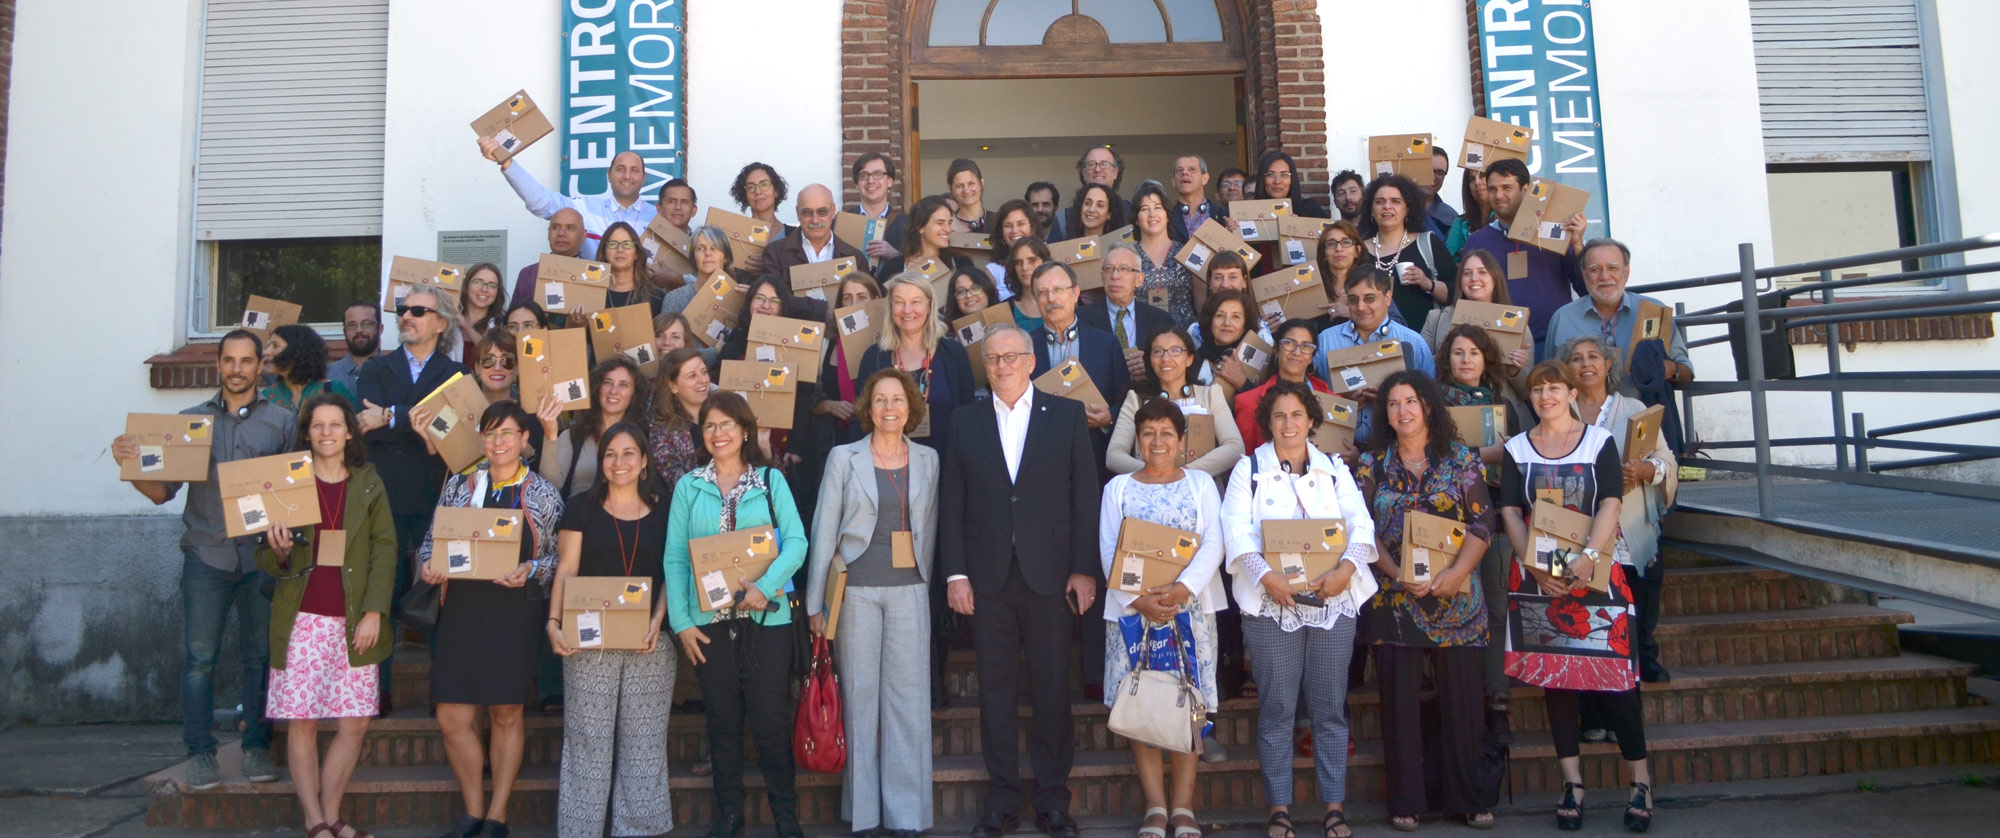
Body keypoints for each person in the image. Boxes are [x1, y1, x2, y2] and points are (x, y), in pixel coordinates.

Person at [109, 329, 293, 790]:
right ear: (218, 364)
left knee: (261, 657)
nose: (237, 369)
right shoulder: (189, 423)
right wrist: (129, 467)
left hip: (261, 560)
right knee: (198, 660)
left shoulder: (283, 422)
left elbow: (293, 498)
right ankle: (199, 754)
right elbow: (160, 493)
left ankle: (255, 748)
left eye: (246, 361)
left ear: (259, 366)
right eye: (228, 360)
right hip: (206, 556)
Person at [939, 324, 1099, 838]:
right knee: (996, 690)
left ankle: (1054, 801)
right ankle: (1002, 800)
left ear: (1032, 361)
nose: (1002, 365)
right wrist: (957, 573)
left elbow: (1084, 497)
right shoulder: (963, 421)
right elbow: (952, 505)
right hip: (986, 578)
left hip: (1050, 575)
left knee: (1053, 687)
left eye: (1011, 356)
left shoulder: (1067, 414)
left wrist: (1082, 568)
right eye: (992, 359)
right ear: (984, 367)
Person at [1499, 361, 1656, 833]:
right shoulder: (1516, 448)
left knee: (1618, 681)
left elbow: (1610, 499)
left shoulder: (1598, 442)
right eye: (1538, 389)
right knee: (1557, 681)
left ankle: (1641, 782)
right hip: (1538, 576)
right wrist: (1532, 564)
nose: (1546, 396)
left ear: (1570, 393)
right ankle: (1572, 783)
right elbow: (1509, 507)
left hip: (1597, 572)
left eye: (1554, 388)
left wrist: (1589, 555)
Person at [1219, 378, 1375, 838]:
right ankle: (1280, 810)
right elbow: (1236, 529)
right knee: (1278, 709)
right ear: (1268, 423)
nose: (1289, 424)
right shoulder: (1249, 470)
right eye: (1279, 416)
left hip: (1334, 601)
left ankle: (1334, 808)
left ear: (1311, 420)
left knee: (1329, 709)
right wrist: (1266, 577)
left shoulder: (1334, 469)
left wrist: (1346, 569)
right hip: (1271, 606)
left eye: (1297, 415)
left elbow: (1360, 524)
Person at [1352, 371, 1497, 830]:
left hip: (1458, 599)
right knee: (1400, 707)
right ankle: (1406, 802)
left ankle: (1468, 799)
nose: (1402, 411)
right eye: (1393, 404)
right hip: (1396, 600)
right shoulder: (1371, 464)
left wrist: (1456, 574)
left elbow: (1483, 523)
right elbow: (1362, 531)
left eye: (1410, 401)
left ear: (1427, 405)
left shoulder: (1460, 459)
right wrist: (1394, 574)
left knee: (1464, 704)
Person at [663, 392, 810, 838]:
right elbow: (674, 558)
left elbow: (798, 543)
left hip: (767, 621)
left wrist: (765, 588)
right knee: (722, 719)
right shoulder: (690, 485)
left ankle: (786, 813)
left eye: (727, 424)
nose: (718, 433)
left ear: (745, 430)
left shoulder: (769, 480)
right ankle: (729, 813)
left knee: (768, 718)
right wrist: (682, 621)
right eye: (709, 425)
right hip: (708, 625)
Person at [416, 401, 563, 838]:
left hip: (513, 610)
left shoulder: (542, 494)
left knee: (505, 713)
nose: (498, 442)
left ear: (524, 441)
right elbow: (430, 541)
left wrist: (533, 570)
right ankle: (472, 812)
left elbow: (560, 558)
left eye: (507, 433)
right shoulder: (459, 486)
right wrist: (427, 565)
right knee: (452, 717)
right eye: (490, 433)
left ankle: (497, 815)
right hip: (461, 607)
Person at [805, 368, 939, 838]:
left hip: (910, 591)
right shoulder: (844, 458)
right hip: (855, 591)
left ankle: (905, 816)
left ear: (910, 408)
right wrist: (815, 604)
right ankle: (863, 814)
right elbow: (823, 530)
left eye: (897, 400)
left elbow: (932, 529)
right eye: (880, 400)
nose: (888, 408)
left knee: (908, 702)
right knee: (860, 700)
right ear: (868, 407)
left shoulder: (929, 460)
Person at [255, 394, 395, 838]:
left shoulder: (368, 481)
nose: (327, 433)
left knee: (354, 721)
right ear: (307, 433)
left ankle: (332, 814)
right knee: (304, 720)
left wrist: (375, 611)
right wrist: (277, 552)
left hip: (354, 618)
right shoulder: (288, 482)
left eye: (336, 424)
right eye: (318, 425)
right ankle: (313, 821)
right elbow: (266, 556)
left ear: (350, 431)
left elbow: (385, 549)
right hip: (303, 619)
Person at [1099, 397, 1227, 838]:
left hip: (1187, 613)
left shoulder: (1200, 485)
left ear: (1182, 441)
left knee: (1186, 705)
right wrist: (1140, 602)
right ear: (1137, 439)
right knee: (1142, 705)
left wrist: (1179, 591)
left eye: (1166, 433)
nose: (1157, 441)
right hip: (1133, 617)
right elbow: (1108, 552)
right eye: (1149, 433)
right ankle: (1155, 806)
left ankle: (1183, 807)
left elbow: (1214, 542)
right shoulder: (1118, 488)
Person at [545, 420, 676, 838]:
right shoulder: (582, 507)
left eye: (628, 454)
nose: (619, 462)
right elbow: (565, 569)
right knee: (587, 741)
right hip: (589, 643)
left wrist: (658, 619)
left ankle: (639, 830)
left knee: (645, 744)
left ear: (644, 462)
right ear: (602, 463)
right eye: (610, 454)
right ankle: (580, 831)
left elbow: (675, 570)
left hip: (649, 642)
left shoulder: (667, 509)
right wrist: (553, 622)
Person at [1561, 336, 1678, 684]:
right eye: (1576, 358)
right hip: (1580, 528)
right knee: (1591, 607)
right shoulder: (1559, 410)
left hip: (1629, 523)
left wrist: (1645, 471)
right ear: (1567, 369)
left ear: (1608, 365)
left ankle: (1644, 656)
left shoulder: (1632, 408)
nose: (1586, 364)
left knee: (1639, 595)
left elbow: (1665, 457)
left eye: (1593, 357)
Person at [355, 287, 469, 637]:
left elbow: (454, 433)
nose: (406, 315)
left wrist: (390, 415)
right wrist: (420, 423)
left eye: (418, 311)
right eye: (403, 309)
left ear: (441, 324)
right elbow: (365, 425)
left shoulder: (457, 374)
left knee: (434, 601)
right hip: (383, 497)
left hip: (432, 499)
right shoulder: (376, 368)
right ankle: (380, 692)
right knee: (380, 599)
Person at [1543, 238, 1695, 398]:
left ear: (1626, 271)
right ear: (1584, 274)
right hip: (1582, 419)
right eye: (1595, 269)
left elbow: (1687, 372)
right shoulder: (1563, 318)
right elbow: (1548, 379)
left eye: (1613, 268)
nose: (1605, 276)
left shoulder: (1655, 312)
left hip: (1644, 416)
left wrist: (1668, 369)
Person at [1464, 158, 1586, 348]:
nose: (1498, 195)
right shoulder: (1477, 242)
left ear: (1525, 190)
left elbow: (1585, 289)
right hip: (1500, 345)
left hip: (1554, 341)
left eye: (1506, 188)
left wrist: (1578, 245)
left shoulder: (1556, 234)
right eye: (1492, 189)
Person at [858, 273, 979, 456]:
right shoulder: (873, 357)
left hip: (944, 464)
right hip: (886, 466)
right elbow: (861, 420)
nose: (907, 310)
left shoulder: (954, 354)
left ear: (929, 306)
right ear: (890, 307)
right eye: (899, 302)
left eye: (915, 302)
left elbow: (967, 417)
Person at [1030, 261, 1130, 475]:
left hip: (1093, 454)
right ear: (1036, 300)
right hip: (1040, 458)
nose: (1051, 299)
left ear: (1075, 293)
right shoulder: (1025, 348)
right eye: (1043, 292)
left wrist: (1109, 416)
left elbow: (1126, 400)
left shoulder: (1106, 344)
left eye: (1058, 290)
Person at [478, 140, 654, 261]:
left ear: (644, 177)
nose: (627, 176)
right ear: (609, 175)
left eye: (635, 170)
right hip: (593, 301)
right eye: (620, 169)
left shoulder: (657, 219)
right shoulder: (585, 208)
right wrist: (507, 162)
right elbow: (543, 203)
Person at [1313, 269, 1435, 442]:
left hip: (1395, 448)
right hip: (1338, 447)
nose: (1361, 307)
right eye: (1353, 300)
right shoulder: (1326, 340)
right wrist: (1338, 399)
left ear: (1388, 298)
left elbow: (1432, 401)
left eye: (1369, 298)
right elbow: (1311, 396)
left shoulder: (1413, 343)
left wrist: (1391, 400)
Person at [1108, 328, 1244, 480]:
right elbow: (1114, 455)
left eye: (1175, 350)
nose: (1166, 358)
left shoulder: (1210, 395)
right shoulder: (1135, 400)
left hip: (1201, 490)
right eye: (1158, 352)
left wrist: (1184, 473)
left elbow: (1235, 447)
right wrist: (1155, 473)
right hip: (1149, 489)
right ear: (1150, 360)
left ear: (1189, 359)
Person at [539, 356, 650, 499]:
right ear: (597, 389)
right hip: (578, 517)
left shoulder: (644, 437)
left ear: (634, 394)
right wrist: (550, 435)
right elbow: (550, 487)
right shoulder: (572, 436)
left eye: (623, 385)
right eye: (607, 383)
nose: (614, 390)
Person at [1358, 174, 1453, 327]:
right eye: (1379, 201)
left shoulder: (1428, 243)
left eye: (1395, 201)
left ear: (1407, 209)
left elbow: (1456, 293)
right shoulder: (1359, 251)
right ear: (1371, 209)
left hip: (1425, 342)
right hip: (1374, 344)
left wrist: (1428, 284)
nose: (1387, 206)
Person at [1081, 241, 1174, 380]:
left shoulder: (1160, 320)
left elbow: (1173, 365)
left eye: (1124, 269)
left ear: (1139, 279)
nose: (1114, 276)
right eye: (1108, 269)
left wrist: (1150, 365)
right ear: (1102, 276)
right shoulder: (1082, 318)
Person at [1234, 319, 1332, 450]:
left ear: (1312, 356)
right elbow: (1245, 459)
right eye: (1289, 343)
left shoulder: (1333, 400)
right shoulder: (1248, 403)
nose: (1297, 352)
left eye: (1306, 346)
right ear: (1276, 349)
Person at [760, 183, 871, 284]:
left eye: (822, 212)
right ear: (798, 213)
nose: (815, 220)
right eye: (807, 213)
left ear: (833, 211)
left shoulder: (855, 258)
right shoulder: (775, 254)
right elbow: (773, 300)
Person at [1130, 182, 1200, 328]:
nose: (1152, 214)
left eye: (1158, 208)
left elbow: (1201, 303)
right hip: (1142, 334)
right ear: (1136, 219)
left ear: (1167, 215)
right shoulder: (1127, 257)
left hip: (1184, 335)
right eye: (1144, 209)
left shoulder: (1186, 253)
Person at [648, 347, 712, 493]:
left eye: (704, 372)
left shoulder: (727, 416)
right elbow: (677, 482)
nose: (702, 380)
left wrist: (763, 444)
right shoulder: (662, 430)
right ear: (673, 386)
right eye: (692, 376)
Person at [875, 195, 974, 282]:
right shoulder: (893, 268)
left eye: (949, 223)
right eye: (940, 223)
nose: (948, 229)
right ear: (920, 227)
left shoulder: (961, 263)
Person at [262, 324, 357, 412]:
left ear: (298, 351)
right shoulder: (266, 397)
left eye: (275, 346)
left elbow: (354, 427)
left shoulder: (334, 390)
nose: (267, 352)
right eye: (268, 345)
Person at [508, 207, 588, 308]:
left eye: (570, 228)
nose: (561, 233)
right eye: (555, 227)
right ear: (548, 233)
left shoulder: (596, 277)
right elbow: (514, 318)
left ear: (583, 235)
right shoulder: (527, 274)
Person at [1191, 289, 1266, 391]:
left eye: (1235, 317)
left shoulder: (1261, 363)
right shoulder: (1190, 361)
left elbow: (1267, 405)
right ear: (1210, 321)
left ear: (1245, 324)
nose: (1227, 323)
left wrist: (1242, 382)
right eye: (1220, 315)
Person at [660, 226, 744, 315]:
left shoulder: (739, 299)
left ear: (726, 257)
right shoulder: (675, 299)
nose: (708, 253)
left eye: (714, 248)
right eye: (701, 248)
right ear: (694, 256)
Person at [730, 162, 795, 273]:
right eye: (751, 187)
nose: (758, 191)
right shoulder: (734, 235)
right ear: (745, 195)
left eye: (764, 184)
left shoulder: (793, 235)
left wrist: (768, 265)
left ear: (776, 191)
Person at [595, 221, 665, 317]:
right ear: (604, 252)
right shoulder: (591, 294)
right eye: (613, 244)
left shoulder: (656, 296)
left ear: (636, 253)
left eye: (627, 244)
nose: (620, 250)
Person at [851, 153, 910, 264]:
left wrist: (894, 255)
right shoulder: (843, 222)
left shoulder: (908, 224)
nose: (870, 181)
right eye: (864, 175)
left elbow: (917, 268)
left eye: (878, 174)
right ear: (856, 183)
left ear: (889, 181)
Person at [1314, 219, 1369, 328]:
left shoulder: (1372, 282)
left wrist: (1353, 313)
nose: (1339, 249)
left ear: (1357, 251)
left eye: (1346, 242)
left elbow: (1396, 322)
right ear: (1324, 254)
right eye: (1331, 244)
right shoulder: (1313, 287)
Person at [984, 199, 1039, 296]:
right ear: (1001, 232)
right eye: (1008, 225)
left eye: (1021, 224)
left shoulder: (1047, 260)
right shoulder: (994, 270)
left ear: (1032, 227)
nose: (1014, 230)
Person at [328, 301, 382, 395]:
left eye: (366, 323)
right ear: (344, 331)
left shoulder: (395, 373)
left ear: (379, 329)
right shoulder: (327, 375)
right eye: (352, 325)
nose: (359, 330)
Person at [1255, 150, 1329, 218]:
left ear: (1292, 179)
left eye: (1284, 175)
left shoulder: (1310, 210)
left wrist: (1298, 226)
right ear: (1262, 179)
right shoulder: (1252, 211)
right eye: (1270, 174)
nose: (1277, 181)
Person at [1002, 236, 1052, 332]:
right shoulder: (1006, 308)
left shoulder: (1063, 298)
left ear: (1045, 262)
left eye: (1032, 261)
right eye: (1018, 262)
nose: (1024, 268)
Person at [459, 262, 507, 353]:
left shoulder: (503, 325)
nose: (484, 289)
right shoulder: (448, 321)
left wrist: (466, 327)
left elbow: (494, 355)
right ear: (465, 286)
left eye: (492, 285)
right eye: (478, 282)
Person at [1168, 154, 1217, 241]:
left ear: (1204, 178)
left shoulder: (1224, 215)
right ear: (1173, 181)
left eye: (1192, 169)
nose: (1184, 173)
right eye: (1179, 170)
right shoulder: (1166, 218)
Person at [1061, 182, 1126, 243]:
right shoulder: (1067, 246)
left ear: (1109, 214)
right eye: (1087, 203)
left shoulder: (1117, 248)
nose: (1091, 209)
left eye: (1100, 205)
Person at [1446, 169, 1491, 256]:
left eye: (1482, 176)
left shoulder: (1505, 218)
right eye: (1471, 179)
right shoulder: (1460, 222)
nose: (1477, 182)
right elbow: (1449, 259)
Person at [946, 158, 995, 233]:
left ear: (981, 183)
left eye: (971, 184)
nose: (966, 190)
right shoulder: (946, 228)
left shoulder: (999, 221)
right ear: (950, 188)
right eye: (959, 186)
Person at [1426, 146, 1461, 240]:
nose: (1433, 177)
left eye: (1440, 173)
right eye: (1428, 170)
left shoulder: (1452, 217)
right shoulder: (1394, 210)